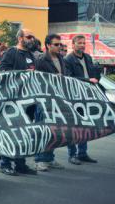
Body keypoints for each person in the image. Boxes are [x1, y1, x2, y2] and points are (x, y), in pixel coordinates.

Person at [0, 28, 38, 176]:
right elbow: (2, 71)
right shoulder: (11, 53)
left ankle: (20, 164)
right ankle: (5, 164)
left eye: (32, 37)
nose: (32, 39)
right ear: (20, 38)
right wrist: (22, 75)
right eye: (29, 36)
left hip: (28, 101)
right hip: (13, 101)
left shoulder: (30, 55)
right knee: (11, 133)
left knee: (24, 134)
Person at [64, 35, 100, 165]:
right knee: (74, 127)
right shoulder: (68, 59)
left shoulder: (88, 58)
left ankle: (83, 153)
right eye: (79, 43)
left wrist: (96, 75)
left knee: (85, 125)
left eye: (84, 43)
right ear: (73, 45)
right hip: (74, 97)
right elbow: (69, 78)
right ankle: (72, 154)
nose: (82, 45)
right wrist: (87, 80)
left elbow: (93, 75)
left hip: (87, 96)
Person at [34, 34, 67, 171]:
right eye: (56, 44)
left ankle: (49, 158)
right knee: (43, 130)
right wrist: (54, 78)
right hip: (43, 100)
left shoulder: (60, 58)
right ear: (48, 45)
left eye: (60, 44)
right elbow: (37, 80)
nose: (59, 47)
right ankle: (40, 160)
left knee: (54, 131)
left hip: (57, 99)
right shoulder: (41, 60)